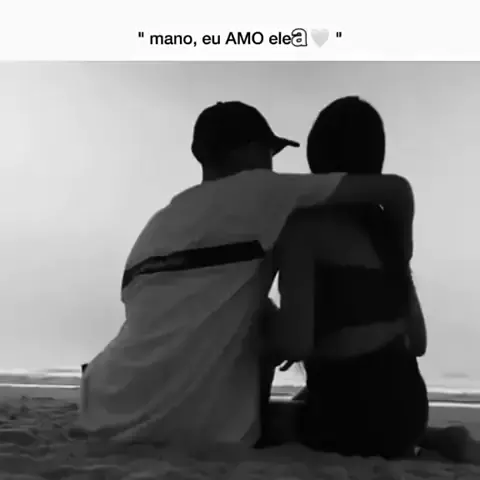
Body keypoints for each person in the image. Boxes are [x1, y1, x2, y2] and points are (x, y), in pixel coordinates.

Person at [77, 100, 416, 449]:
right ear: (253, 150)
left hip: (107, 404)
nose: (273, 164)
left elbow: (187, 303)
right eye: (271, 152)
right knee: (262, 331)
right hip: (201, 422)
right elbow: (395, 190)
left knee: (253, 316)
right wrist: (400, 255)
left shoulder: (157, 225)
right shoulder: (264, 190)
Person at [264, 96, 479, 462]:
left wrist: (270, 325)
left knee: (266, 419)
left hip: (351, 415)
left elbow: (296, 345)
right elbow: (418, 341)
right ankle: (437, 438)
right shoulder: (388, 231)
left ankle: (429, 439)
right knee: (311, 401)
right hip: (409, 407)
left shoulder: (303, 228)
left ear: (316, 157)